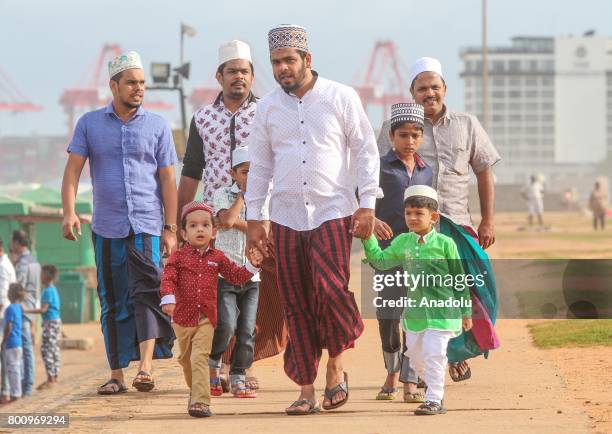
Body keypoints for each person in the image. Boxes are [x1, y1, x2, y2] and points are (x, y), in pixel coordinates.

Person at [245, 24, 380, 415]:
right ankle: (306, 388)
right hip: (285, 217)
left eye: (289, 60)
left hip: (332, 212)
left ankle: (336, 367)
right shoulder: (267, 108)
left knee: (330, 288)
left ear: (308, 60)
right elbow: (260, 167)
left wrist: (367, 202)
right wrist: (256, 218)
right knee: (296, 302)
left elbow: (366, 150)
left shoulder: (341, 97)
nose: (282, 68)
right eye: (275, 62)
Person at [61, 51, 178, 395]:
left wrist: (170, 229)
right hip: (106, 228)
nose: (139, 88)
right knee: (111, 299)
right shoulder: (89, 124)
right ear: (114, 86)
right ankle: (116, 374)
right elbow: (71, 174)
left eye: (142, 83)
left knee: (148, 294)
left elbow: (168, 180)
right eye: (131, 82)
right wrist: (68, 213)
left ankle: (145, 367)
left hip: (146, 227)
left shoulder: (157, 126)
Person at [380, 57, 501, 382]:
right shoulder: (396, 125)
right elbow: (375, 170)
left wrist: (488, 220)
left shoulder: (467, 124)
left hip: (457, 224)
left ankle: (454, 351)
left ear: (444, 89)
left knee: (477, 292)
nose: (429, 93)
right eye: (422, 88)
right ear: (412, 92)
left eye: (435, 86)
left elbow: (485, 171)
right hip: (412, 228)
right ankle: (416, 368)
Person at [178, 40, 286, 390]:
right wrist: (179, 220)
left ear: (253, 76)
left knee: (262, 295)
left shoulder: (268, 111)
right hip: (215, 223)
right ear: (219, 76)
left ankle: (244, 365)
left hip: (261, 214)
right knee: (219, 297)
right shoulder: (202, 118)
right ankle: (222, 368)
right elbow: (191, 170)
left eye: (244, 71)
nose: (238, 77)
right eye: (232, 71)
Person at [362, 185, 472, 415]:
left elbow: (458, 277)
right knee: (416, 357)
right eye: (408, 213)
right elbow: (381, 262)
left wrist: (465, 310)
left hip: (443, 312)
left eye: (418, 213)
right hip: (415, 315)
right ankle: (433, 388)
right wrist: (367, 237)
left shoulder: (445, 244)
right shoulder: (403, 242)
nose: (412, 218)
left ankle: (434, 399)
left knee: (434, 353)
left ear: (433, 217)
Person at [160, 201, 263, 417]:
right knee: (187, 360)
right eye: (194, 225)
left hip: (206, 317)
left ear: (214, 232)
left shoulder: (217, 258)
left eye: (206, 225)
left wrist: (252, 265)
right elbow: (168, 278)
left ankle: (200, 401)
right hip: (181, 318)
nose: (200, 229)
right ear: (183, 232)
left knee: (200, 356)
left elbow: (235, 276)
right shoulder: (178, 257)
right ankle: (195, 390)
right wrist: (168, 298)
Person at [372, 103, 432, 402]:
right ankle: (391, 371)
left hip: (419, 256)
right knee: (387, 315)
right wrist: (373, 220)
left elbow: (432, 212)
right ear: (392, 137)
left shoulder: (426, 171)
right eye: (404, 135)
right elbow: (364, 203)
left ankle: (409, 380)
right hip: (387, 253)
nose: (410, 141)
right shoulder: (378, 167)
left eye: (415, 135)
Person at [209, 147, 262, 398]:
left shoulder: (265, 196)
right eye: (245, 172)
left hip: (252, 274)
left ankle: (239, 376)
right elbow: (227, 220)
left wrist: (250, 224)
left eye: (255, 171)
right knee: (227, 325)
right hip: (225, 274)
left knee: (247, 329)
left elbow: (267, 229)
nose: (250, 176)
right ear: (232, 173)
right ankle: (213, 365)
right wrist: (243, 197)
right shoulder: (221, 194)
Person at [10, 229, 40, 397]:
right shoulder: (34, 260)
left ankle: (26, 386)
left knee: (23, 349)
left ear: (16, 243)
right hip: (31, 309)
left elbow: (16, 287)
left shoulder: (22, 263)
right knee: (26, 348)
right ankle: (27, 384)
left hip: (22, 310)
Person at [26, 265, 61, 390]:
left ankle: (50, 379)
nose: (39, 276)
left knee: (46, 350)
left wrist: (26, 310)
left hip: (49, 323)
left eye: (41, 273)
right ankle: (54, 377)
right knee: (53, 349)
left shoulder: (47, 291)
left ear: (47, 276)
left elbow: (44, 309)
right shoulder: (52, 289)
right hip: (54, 322)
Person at [2, 283, 26, 402]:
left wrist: (4, 340)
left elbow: (9, 325)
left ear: (11, 294)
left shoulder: (10, 308)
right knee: (16, 368)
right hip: (18, 343)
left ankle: (15, 394)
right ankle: (16, 392)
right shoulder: (19, 307)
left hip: (11, 343)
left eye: (8, 290)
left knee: (12, 369)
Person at [0, 237, 16, 402]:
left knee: (5, 357)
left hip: (3, 316)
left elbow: (2, 296)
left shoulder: (3, 267)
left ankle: (6, 393)